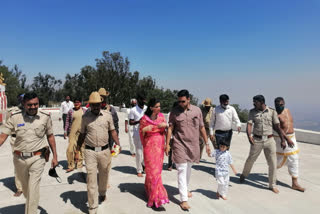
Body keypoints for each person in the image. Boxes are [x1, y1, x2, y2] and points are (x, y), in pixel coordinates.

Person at [0, 92, 58, 214]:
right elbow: (3, 136)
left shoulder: (45, 117)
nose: (33, 107)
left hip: (38, 157)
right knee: (27, 191)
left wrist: (55, 157)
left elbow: (51, 136)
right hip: (19, 159)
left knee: (33, 189)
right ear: (24, 104)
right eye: (30, 105)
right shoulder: (15, 117)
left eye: (36, 104)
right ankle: (31, 202)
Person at [75, 91, 121, 214]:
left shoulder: (107, 115)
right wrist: (77, 150)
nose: (96, 107)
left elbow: (113, 131)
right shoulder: (85, 118)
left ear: (101, 104)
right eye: (93, 104)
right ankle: (92, 207)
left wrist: (117, 143)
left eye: (98, 104)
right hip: (90, 152)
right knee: (91, 178)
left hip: (105, 151)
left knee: (104, 174)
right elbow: (82, 135)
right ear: (90, 105)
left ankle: (102, 192)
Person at [165, 89, 210, 210]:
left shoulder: (197, 110)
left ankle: (185, 188)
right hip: (179, 144)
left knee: (189, 168)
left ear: (189, 99)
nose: (181, 103)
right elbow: (170, 128)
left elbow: (201, 128)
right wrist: (167, 144)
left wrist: (207, 143)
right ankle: (183, 199)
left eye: (183, 101)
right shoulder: (174, 112)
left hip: (193, 144)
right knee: (181, 169)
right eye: (179, 101)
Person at [240, 95, 285, 194]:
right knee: (251, 159)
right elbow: (249, 125)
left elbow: (277, 127)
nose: (253, 104)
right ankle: (244, 174)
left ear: (261, 102)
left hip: (269, 140)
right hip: (257, 140)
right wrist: (249, 136)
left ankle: (272, 185)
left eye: (255, 102)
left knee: (273, 163)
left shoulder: (272, 111)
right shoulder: (252, 112)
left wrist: (282, 139)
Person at [139, 98, 169, 208]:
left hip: (159, 147)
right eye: (157, 106)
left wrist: (165, 126)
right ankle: (156, 198)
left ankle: (150, 191)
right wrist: (145, 129)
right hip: (149, 147)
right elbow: (141, 134)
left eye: (160, 106)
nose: (159, 108)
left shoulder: (161, 117)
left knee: (157, 172)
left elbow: (167, 129)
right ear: (151, 107)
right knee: (152, 172)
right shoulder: (144, 119)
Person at [274, 97, 305, 192]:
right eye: (279, 105)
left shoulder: (287, 110)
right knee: (277, 161)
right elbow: (278, 129)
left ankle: (295, 183)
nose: (281, 106)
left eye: (282, 104)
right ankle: (272, 175)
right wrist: (286, 139)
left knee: (294, 159)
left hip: (292, 138)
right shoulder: (275, 115)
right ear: (275, 105)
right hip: (282, 139)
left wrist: (290, 139)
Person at [6, 93, 24, 197]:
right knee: (18, 164)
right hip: (15, 139)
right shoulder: (12, 112)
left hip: (28, 139)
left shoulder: (30, 111)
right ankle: (19, 188)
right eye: (22, 99)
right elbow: (7, 127)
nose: (23, 101)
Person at [64, 97, 86, 172]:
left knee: (81, 148)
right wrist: (65, 131)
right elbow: (67, 122)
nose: (76, 104)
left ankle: (79, 164)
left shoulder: (84, 111)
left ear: (80, 103)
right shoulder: (70, 111)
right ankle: (71, 165)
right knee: (70, 149)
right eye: (75, 102)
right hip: (72, 133)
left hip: (82, 133)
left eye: (78, 102)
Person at [129, 92, 147, 177]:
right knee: (139, 152)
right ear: (138, 100)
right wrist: (139, 121)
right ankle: (139, 170)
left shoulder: (147, 109)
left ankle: (144, 164)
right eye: (141, 99)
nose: (143, 101)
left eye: (144, 100)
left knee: (146, 152)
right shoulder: (133, 110)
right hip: (137, 134)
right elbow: (130, 122)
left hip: (147, 133)